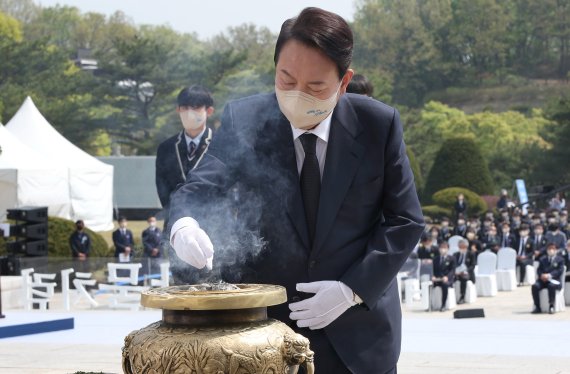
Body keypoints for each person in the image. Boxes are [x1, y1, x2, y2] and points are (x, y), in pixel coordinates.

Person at [167, 7, 425, 373]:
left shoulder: (377, 125)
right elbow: (199, 188)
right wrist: (185, 224)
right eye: (286, 80)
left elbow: (405, 220)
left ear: (344, 81)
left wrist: (350, 289)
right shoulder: (247, 120)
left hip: (358, 334)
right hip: (265, 336)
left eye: (315, 86)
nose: (298, 95)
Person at [155, 85, 215, 284]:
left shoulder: (220, 144)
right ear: (178, 110)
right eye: (185, 107)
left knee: (216, 290)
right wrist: (181, 220)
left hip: (214, 227)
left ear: (209, 110)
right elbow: (163, 190)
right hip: (176, 228)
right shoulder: (165, 148)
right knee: (183, 291)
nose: (190, 112)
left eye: (196, 107)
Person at [531, 243, 565, 314]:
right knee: (535, 286)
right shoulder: (542, 259)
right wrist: (542, 275)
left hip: (554, 280)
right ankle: (537, 306)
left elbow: (559, 271)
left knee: (551, 286)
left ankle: (551, 306)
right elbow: (539, 270)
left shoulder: (560, 260)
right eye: (549, 249)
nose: (551, 250)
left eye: (553, 249)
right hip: (543, 280)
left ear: (556, 250)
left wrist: (549, 275)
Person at [431, 242, 456, 311]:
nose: (442, 249)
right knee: (428, 284)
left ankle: (443, 305)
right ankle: (430, 304)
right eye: (441, 248)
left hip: (447, 279)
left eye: (444, 248)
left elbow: (452, 271)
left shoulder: (452, 258)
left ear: (448, 249)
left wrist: (447, 277)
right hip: (437, 279)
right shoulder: (435, 259)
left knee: (444, 285)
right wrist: (433, 276)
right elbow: (433, 270)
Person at [453, 239, 476, 304]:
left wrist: (465, 271)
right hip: (457, 273)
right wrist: (456, 271)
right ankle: (452, 296)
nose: (462, 248)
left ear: (466, 246)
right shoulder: (455, 254)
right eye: (460, 247)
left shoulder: (471, 254)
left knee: (463, 279)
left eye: (463, 247)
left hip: (467, 273)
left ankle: (462, 297)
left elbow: (473, 266)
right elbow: (453, 265)